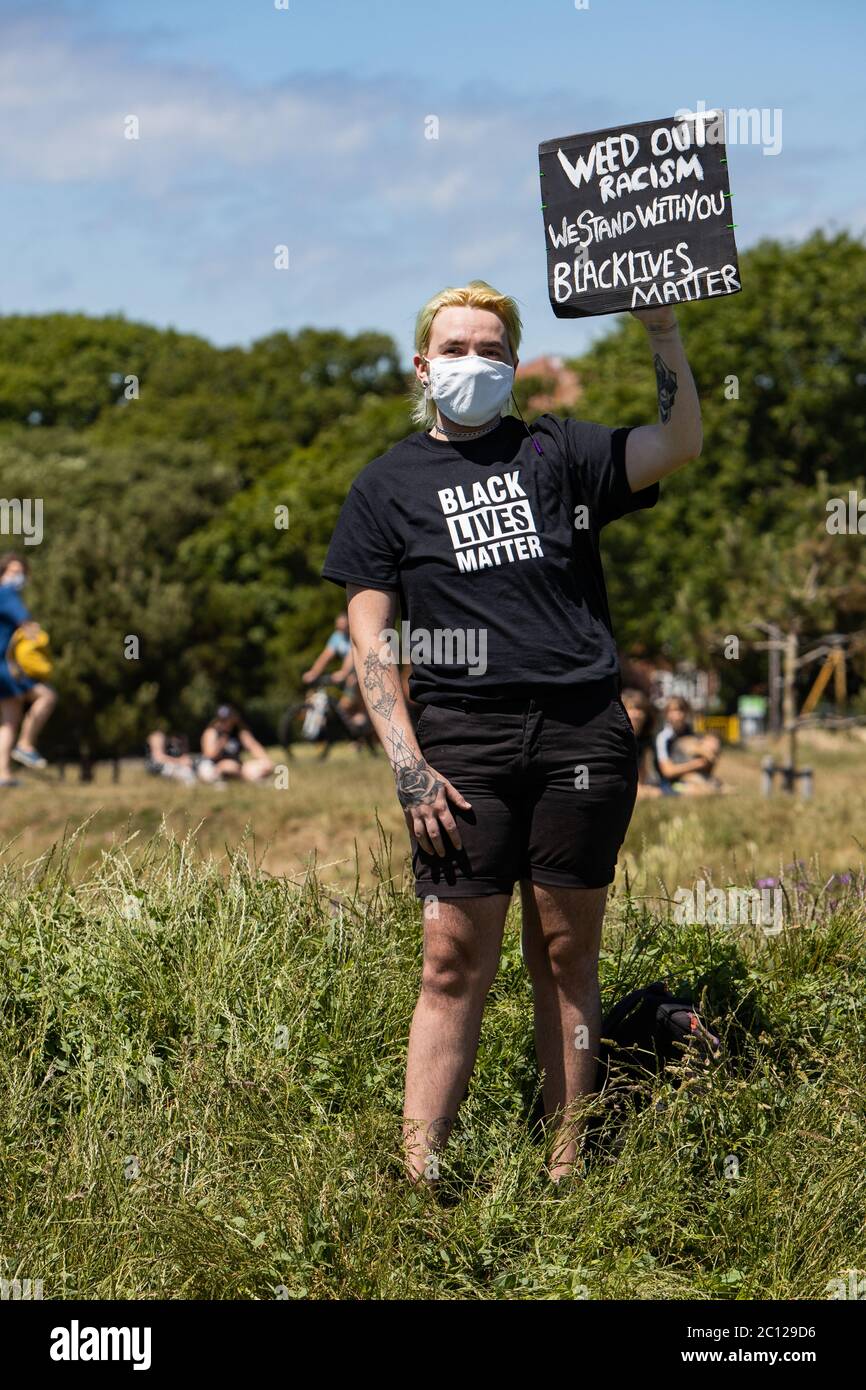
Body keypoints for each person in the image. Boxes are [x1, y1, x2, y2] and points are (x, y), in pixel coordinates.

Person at [321, 279, 703, 1185]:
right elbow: (370, 640)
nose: (474, 364)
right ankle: (422, 1172)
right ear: (423, 366)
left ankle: (567, 1161)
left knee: (565, 951)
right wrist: (408, 765)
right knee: (452, 955)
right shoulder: (386, 485)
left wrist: (663, 330)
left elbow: (680, 441)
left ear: (515, 363)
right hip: (461, 742)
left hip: (581, 734)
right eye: (456, 350)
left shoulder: (558, 450)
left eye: (493, 349)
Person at [0, 553, 57, 786]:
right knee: (47, 695)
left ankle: (3, 774)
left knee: (9, 721)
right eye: (13, 572)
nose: (18, 576)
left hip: (3, 666)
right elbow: (29, 626)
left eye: (20, 572)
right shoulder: (7, 594)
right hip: (5, 666)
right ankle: (25, 745)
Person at [302, 613, 367, 732]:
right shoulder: (337, 637)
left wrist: (344, 672)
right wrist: (314, 673)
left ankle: (364, 726)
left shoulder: (355, 634)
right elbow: (325, 656)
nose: (342, 630)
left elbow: (352, 656)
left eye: (344, 626)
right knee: (343, 708)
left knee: (346, 705)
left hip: (362, 670)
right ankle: (358, 732)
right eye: (339, 627)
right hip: (349, 673)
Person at [653, 695, 722, 795]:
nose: (676, 715)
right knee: (699, 791)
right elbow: (667, 772)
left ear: (687, 713)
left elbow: (708, 759)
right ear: (666, 714)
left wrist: (711, 748)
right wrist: (697, 764)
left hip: (692, 775)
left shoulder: (692, 732)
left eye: (680, 711)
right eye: (672, 711)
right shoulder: (663, 737)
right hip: (669, 782)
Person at [198, 704, 274, 783]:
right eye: (221, 720)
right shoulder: (211, 732)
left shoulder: (239, 732)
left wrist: (266, 761)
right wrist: (221, 743)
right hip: (216, 766)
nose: (224, 723)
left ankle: (242, 776)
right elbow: (209, 755)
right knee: (220, 769)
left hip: (237, 767)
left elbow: (253, 746)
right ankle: (243, 777)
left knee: (264, 766)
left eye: (226, 719)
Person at [620, 687, 662, 799]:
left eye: (640, 709)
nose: (636, 714)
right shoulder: (615, 740)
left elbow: (647, 774)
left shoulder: (647, 741)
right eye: (631, 709)